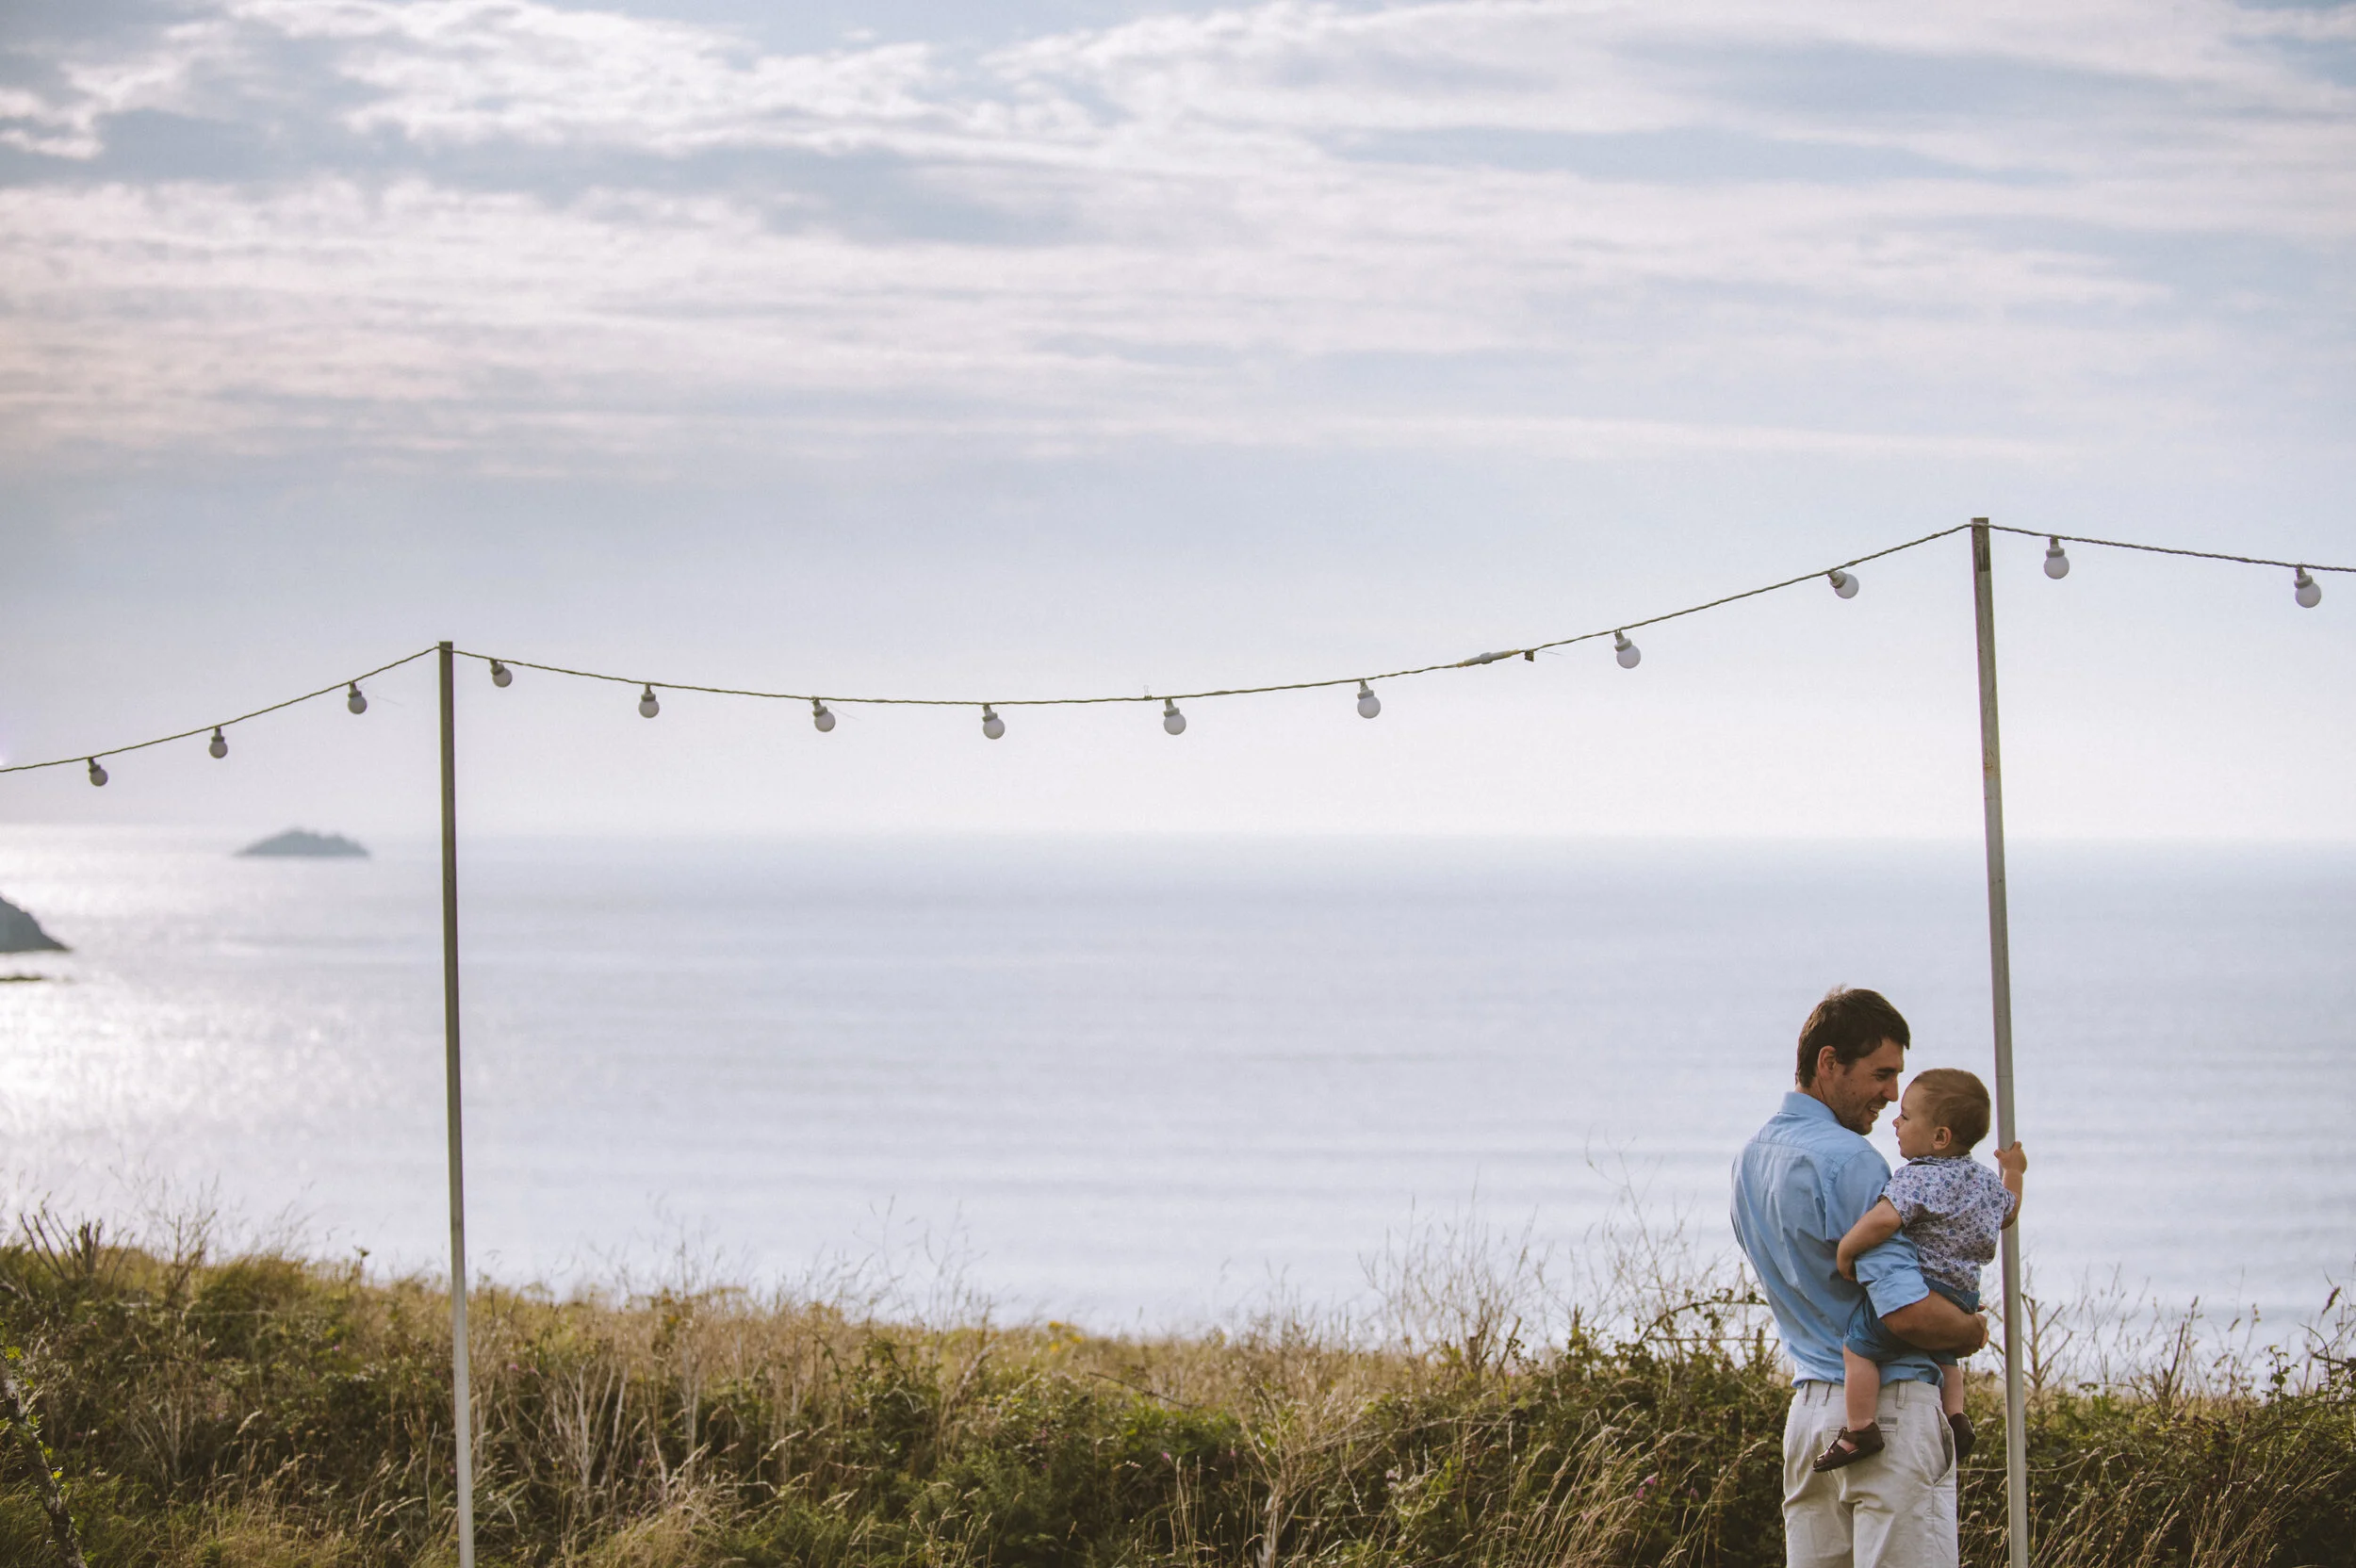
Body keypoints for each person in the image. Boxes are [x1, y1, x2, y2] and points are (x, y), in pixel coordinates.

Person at [1731, 988, 1988, 1568]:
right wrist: (1969, 1331)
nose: (1893, 1093)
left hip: (1811, 1418)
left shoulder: (1750, 1158)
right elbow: (1906, 1313)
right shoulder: (1852, 1161)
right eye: (1881, 1074)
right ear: (1828, 1063)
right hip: (1888, 1418)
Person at [1817, 1069, 2025, 1472]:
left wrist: (1847, 1250)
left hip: (1922, 1289)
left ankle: (1860, 1428)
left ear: (1940, 1137)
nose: (1895, 1120)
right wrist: (2014, 1170)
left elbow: (1883, 1221)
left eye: (1907, 1117)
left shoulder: (1917, 1178)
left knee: (1858, 1344)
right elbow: (2010, 1211)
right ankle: (1956, 1416)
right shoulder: (1985, 1182)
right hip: (1963, 1296)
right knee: (1946, 1356)